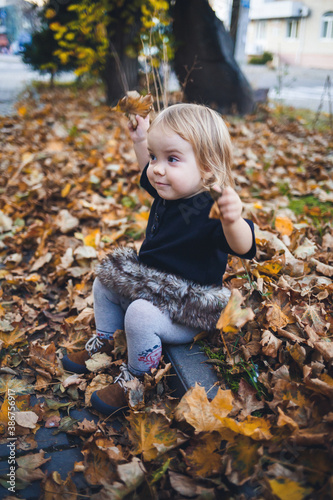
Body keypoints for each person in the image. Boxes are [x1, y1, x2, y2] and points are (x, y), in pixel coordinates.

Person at [62, 103, 256, 415]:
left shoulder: (210, 207)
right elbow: (146, 172)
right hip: (153, 287)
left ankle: (137, 378)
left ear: (207, 168)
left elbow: (244, 246)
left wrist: (233, 222)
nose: (157, 168)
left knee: (140, 314)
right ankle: (106, 340)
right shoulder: (169, 190)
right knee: (105, 281)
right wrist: (141, 142)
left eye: (172, 159)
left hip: (189, 308)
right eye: (155, 157)